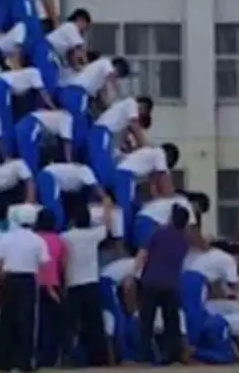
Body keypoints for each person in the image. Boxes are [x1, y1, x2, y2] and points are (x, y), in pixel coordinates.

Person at [0, 212, 50, 372]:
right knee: (27, 321)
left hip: (8, 279)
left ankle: (4, 361)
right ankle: (25, 361)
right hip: (28, 280)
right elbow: (44, 263)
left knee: (6, 320)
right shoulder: (38, 240)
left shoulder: (6, 238)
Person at [134, 204, 189, 365]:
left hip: (150, 282)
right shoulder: (184, 241)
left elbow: (143, 254)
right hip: (171, 284)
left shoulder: (158, 234)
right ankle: (171, 355)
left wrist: (135, 273)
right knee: (171, 322)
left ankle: (144, 357)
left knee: (146, 322)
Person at [61, 202, 114, 367]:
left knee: (70, 324)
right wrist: (107, 207)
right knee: (94, 324)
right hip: (91, 283)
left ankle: (69, 356)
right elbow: (107, 224)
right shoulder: (93, 235)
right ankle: (98, 359)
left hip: (73, 284)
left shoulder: (66, 237)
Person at [58, 57, 131, 157]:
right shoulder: (105, 62)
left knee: (79, 125)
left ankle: (74, 152)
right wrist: (122, 96)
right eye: (119, 75)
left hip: (74, 94)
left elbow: (102, 98)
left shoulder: (98, 76)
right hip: (77, 93)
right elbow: (111, 77)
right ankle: (73, 154)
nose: (117, 78)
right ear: (117, 68)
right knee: (78, 126)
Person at [0, 67, 56, 156]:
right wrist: (54, 108)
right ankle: (8, 155)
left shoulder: (24, 75)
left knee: (4, 122)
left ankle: (5, 152)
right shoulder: (35, 73)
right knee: (5, 123)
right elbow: (43, 93)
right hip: (1, 87)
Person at [87, 97, 148, 188]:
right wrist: (145, 147)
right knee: (102, 168)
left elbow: (125, 136)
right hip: (101, 133)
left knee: (104, 167)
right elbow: (135, 126)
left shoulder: (121, 111)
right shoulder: (131, 103)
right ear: (143, 107)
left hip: (102, 135)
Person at [30, 8, 92, 96]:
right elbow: (79, 50)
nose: (84, 29)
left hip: (53, 55)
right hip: (46, 50)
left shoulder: (69, 31)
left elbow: (71, 54)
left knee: (52, 81)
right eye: (86, 25)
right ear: (80, 19)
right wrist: (87, 66)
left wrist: (76, 67)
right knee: (47, 80)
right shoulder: (71, 27)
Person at [37, 162, 112, 230]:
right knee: (54, 212)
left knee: (60, 213)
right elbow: (105, 198)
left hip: (54, 180)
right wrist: (107, 218)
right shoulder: (87, 173)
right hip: (48, 176)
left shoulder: (81, 181)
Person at [34, 209, 66, 367]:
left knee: (37, 323)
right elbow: (62, 265)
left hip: (36, 285)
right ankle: (51, 357)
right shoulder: (59, 241)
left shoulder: (34, 239)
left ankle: (37, 356)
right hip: (54, 285)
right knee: (52, 324)